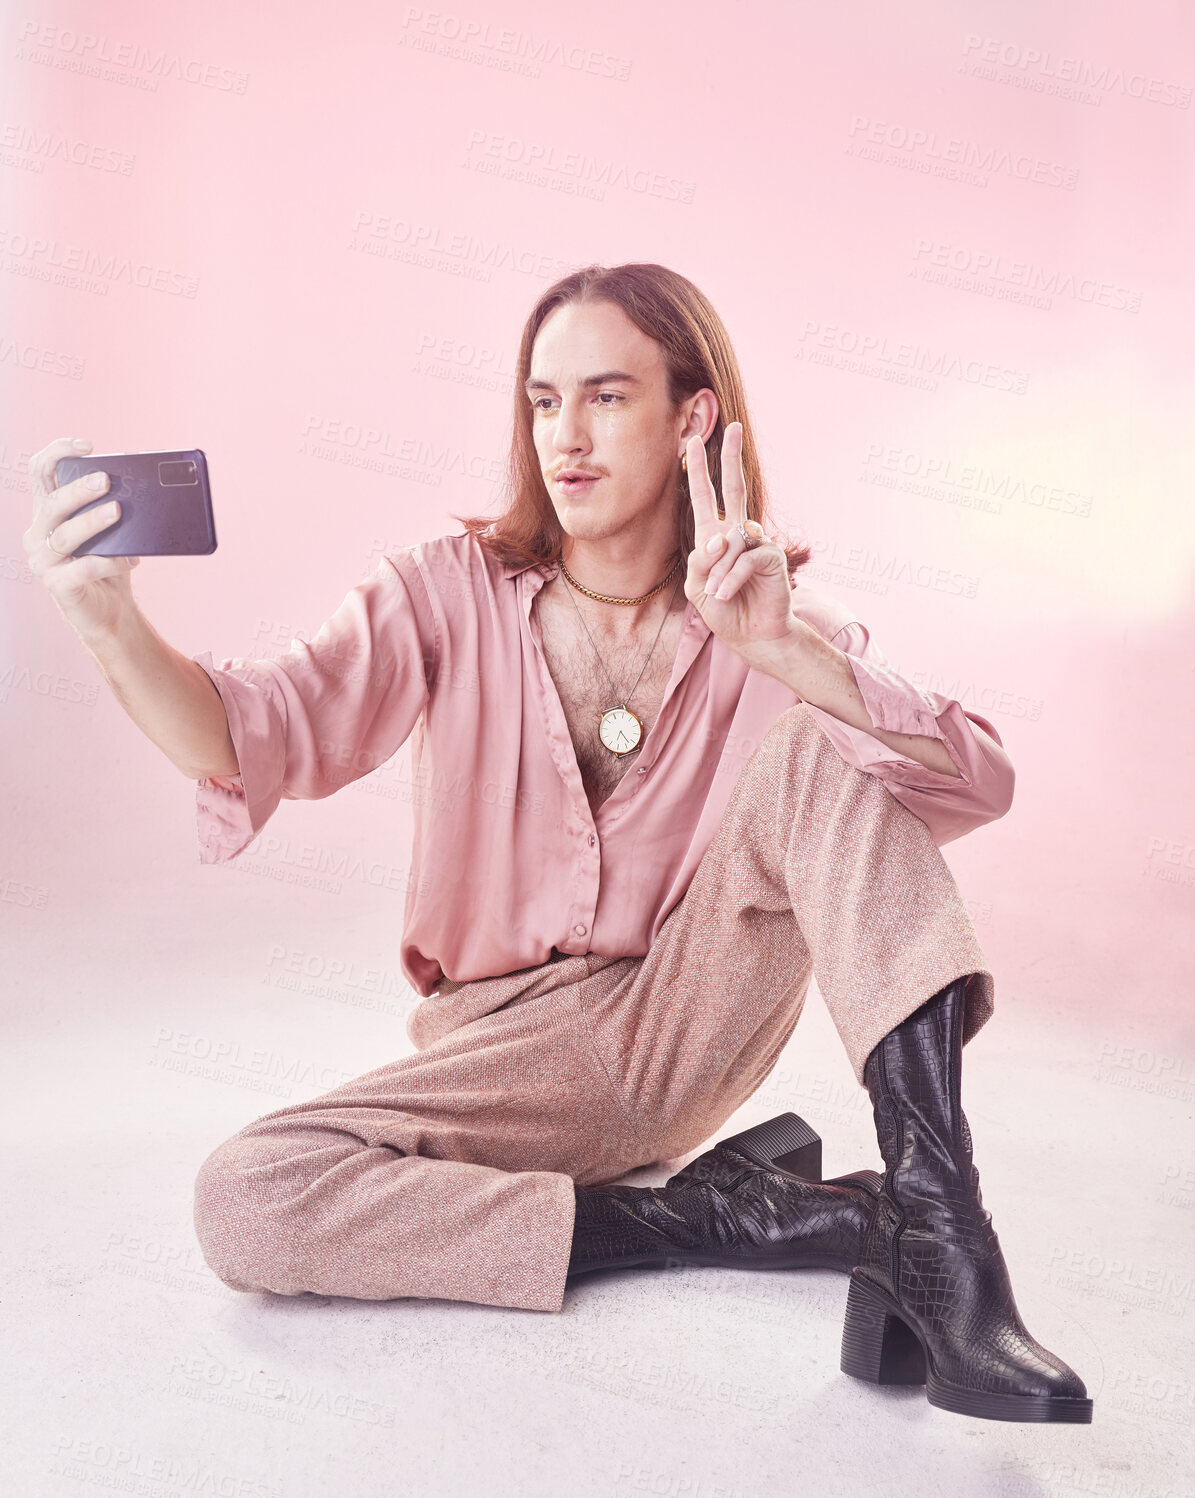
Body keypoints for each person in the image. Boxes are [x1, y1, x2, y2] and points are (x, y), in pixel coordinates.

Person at [25, 262, 1091, 1424]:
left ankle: (940, 1234)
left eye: (605, 397)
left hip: (691, 1011)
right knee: (246, 1196)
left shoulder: (766, 620)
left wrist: (791, 660)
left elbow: (977, 779)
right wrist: (108, 619)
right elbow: (249, 731)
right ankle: (731, 1213)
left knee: (818, 748)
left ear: (692, 416)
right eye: (542, 402)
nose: (564, 439)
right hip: (501, 1054)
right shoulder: (444, 595)